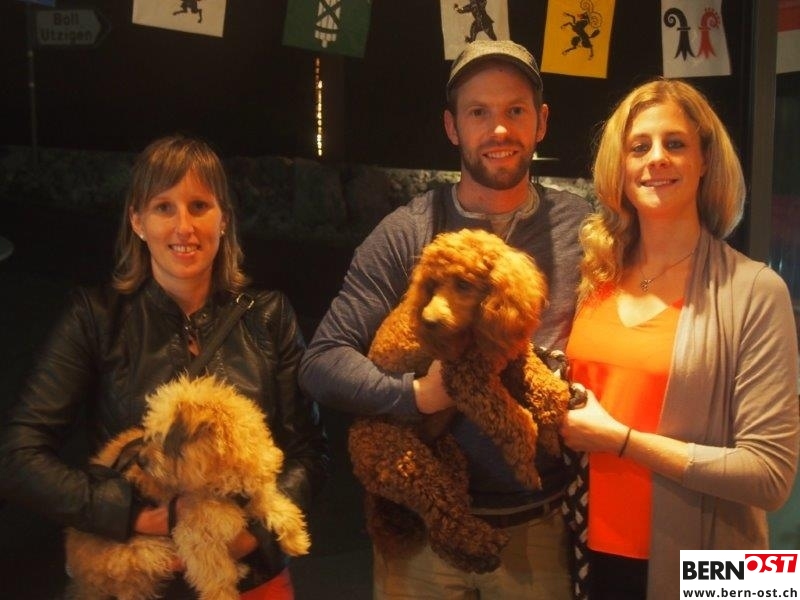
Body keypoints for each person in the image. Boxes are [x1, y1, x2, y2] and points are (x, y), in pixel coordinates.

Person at [299, 39, 590, 599]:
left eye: (515, 110)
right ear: (453, 127)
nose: (498, 129)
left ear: (541, 122)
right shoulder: (407, 232)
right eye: (478, 112)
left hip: (541, 527)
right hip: (422, 539)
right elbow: (322, 362)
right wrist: (416, 396)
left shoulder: (582, 231)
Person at [0, 134, 329, 599]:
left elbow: (310, 452)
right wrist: (134, 515)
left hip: (248, 579)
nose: (184, 227)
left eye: (199, 206)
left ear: (224, 218)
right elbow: (18, 456)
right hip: (135, 579)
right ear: (137, 221)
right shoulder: (95, 317)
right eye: (163, 207)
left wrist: (252, 536)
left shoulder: (269, 316)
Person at [560, 78, 799, 600]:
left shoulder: (757, 290)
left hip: (713, 567)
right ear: (619, 166)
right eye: (638, 146)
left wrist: (622, 441)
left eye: (675, 143)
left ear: (705, 159)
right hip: (587, 551)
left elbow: (771, 476)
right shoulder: (593, 277)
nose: (656, 159)